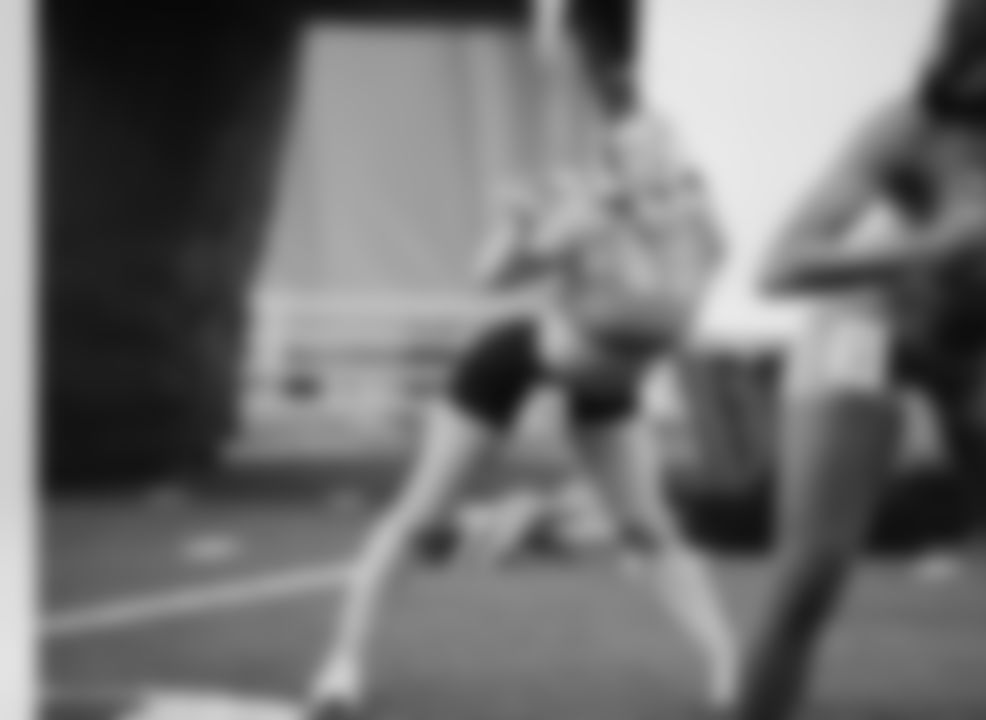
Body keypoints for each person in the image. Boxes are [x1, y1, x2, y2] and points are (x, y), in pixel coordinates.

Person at [304, 73, 740, 718]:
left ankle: (733, 673)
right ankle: (342, 666)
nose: (660, 159)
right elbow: (490, 276)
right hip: (514, 361)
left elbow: (677, 291)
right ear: (618, 164)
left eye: (665, 147)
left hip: (608, 387)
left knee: (649, 529)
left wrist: (637, 220)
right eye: (642, 150)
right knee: (421, 518)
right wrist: (520, 228)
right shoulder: (586, 217)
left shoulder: (699, 225)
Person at [736, 0, 986, 718]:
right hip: (871, 333)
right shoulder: (909, 125)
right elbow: (778, 267)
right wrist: (931, 246)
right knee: (811, 574)